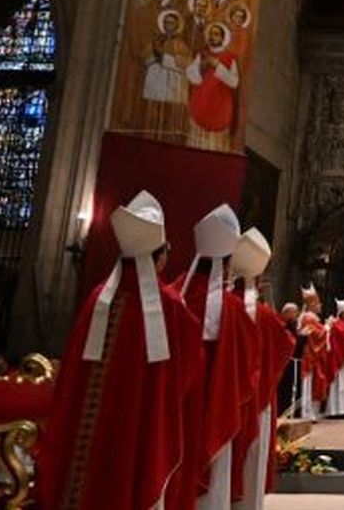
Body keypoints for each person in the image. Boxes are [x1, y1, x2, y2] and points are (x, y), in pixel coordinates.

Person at [36, 192, 206, 510]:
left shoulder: (98, 298)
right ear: (159, 256)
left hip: (88, 435)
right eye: (166, 250)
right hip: (137, 426)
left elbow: (73, 375)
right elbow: (188, 371)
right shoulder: (168, 306)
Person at [176, 204, 259, 510]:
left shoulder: (172, 297)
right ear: (225, 267)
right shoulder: (234, 308)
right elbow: (250, 364)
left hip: (177, 403)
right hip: (216, 405)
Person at [230, 228, 294, 510]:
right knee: (249, 460)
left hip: (220, 399)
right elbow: (285, 346)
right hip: (255, 400)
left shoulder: (218, 306)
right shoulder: (265, 315)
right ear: (258, 277)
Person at [293, 286, 329, 421]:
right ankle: (306, 412)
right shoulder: (308, 318)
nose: (320, 306)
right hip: (309, 355)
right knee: (308, 385)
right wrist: (326, 328)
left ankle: (312, 410)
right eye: (318, 303)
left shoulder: (312, 318)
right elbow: (316, 335)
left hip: (315, 356)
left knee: (314, 384)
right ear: (311, 304)